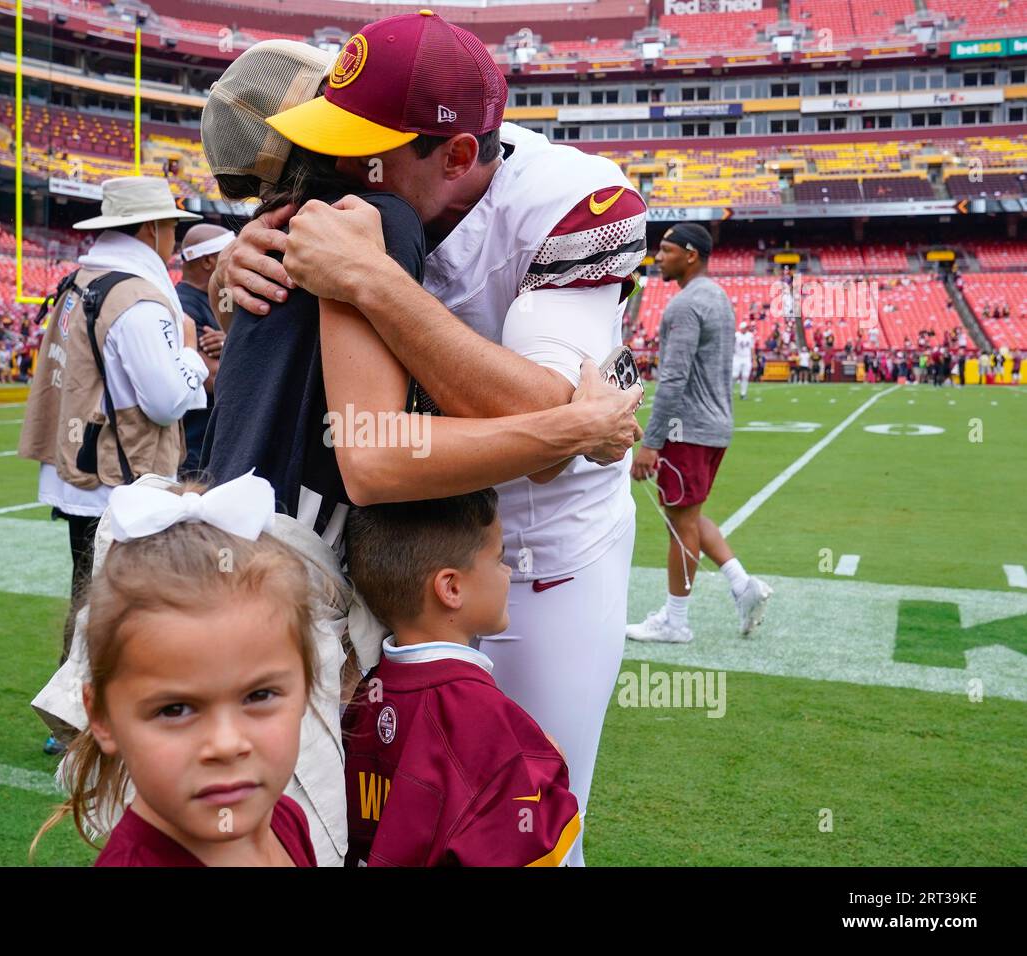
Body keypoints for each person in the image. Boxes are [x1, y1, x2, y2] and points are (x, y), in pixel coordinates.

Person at [221, 15, 648, 866]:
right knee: (382, 815)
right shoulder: (365, 200)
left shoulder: (575, 202)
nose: (345, 166)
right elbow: (543, 424)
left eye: (368, 148)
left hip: (540, 549)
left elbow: (543, 419)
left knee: (525, 817)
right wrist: (251, 254)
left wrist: (373, 283)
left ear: (457, 157)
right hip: (399, 543)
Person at [32, 474, 316, 866]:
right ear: (102, 717)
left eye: (260, 695)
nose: (226, 744)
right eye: (174, 709)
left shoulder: (285, 819)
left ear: (306, 686)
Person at [19, 175, 209, 755]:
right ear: (152, 229)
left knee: (93, 599)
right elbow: (166, 398)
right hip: (120, 478)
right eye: (170, 225)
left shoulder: (82, 279)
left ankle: (77, 715)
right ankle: (83, 718)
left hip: (82, 471)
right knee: (118, 605)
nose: (173, 237)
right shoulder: (136, 296)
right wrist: (193, 359)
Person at [342, 490, 581, 866]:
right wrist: (548, 765)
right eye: (499, 558)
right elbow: (533, 845)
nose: (509, 571)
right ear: (451, 588)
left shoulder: (365, 695)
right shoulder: (488, 718)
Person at [626, 224, 772, 644]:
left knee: (679, 524)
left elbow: (673, 379)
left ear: (691, 254)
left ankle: (676, 621)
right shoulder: (718, 297)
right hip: (714, 426)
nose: (658, 256)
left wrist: (651, 442)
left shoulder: (685, 306)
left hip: (686, 428)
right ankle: (743, 585)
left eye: (667, 249)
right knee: (686, 516)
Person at [173, 224, 232, 476]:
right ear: (209, 261)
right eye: (228, 252)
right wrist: (237, 347)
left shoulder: (217, 297)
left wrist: (228, 342)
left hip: (211, 437)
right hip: (194, 444)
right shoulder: (182, 305)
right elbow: (211, 378)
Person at [733, 319, 754, 399]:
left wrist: (754, 359)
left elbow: (752, 348)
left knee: (745, 376)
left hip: (747, 357)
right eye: (744, 327)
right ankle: (729, 392)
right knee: (734, 376)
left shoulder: (750, 335)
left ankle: (743, 394)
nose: (746, 329)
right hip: (737, 357)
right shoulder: (736, 335)